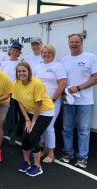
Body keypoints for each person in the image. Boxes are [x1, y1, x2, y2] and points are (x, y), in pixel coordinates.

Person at [60, 34, 97, 168]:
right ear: (68, 44)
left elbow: (95, 78)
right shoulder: (64, 60)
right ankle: (68, 153)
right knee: (66, 128)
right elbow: (62, 80)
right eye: (71, 42)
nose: (74, 44)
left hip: (85, 102)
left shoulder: (90, 57)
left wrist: (79, 88)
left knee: (84, 130)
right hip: (68, 101)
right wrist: (63, 93)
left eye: (76, 42)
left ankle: (82, 157)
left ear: (81, 43)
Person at [13, 62, 55, 177]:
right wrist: (27, 119)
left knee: (32, 137)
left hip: (45, 112)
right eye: (19, 71)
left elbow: (39, 104)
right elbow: (20, 102)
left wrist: (34, 121)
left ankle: (37, 166)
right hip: (30, 112)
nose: (21, 73)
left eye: (24, 71)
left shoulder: (37, 83)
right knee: (25, 137)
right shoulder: (16, 84)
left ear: (29, 72)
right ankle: (26, 162)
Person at [33, 44, 67, 163]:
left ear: (53, 54)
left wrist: (53, 98)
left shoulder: (58, 66)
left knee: (49, 126)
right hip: (39, 102)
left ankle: (51, 153)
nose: (46, 54)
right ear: (41, 54)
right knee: (42, 126)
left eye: (49, 53)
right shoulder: (38, 67)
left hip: (53, 102)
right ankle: (45, 149)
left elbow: (62, 83)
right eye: (44, 52)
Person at [0, 43, 22, 145]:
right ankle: (2, 134)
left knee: (15, 117)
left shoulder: (20, 64)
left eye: (17, 51)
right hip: (4, 94)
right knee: (3, 116)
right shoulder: (3, 64)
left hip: (16, 94)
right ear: (10, 51)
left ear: (19, 53)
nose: (14, 52)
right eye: (13, 50)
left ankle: (13, 136)